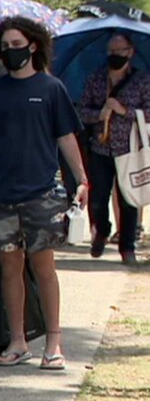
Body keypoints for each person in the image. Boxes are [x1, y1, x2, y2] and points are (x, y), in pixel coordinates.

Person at [0, 16, 89, 371]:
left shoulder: (51, 88)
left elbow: (66, 136)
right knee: (9, 268)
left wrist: (81, 179)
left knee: (44, 266)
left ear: (32, 46)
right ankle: (17, 341)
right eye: (5, 47)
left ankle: (54, 343)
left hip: (42, 193)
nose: (11, 52)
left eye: (17, 45)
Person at [77, 33, 150, 264]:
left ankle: (127, 247)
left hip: (129, 150)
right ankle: (102, 229)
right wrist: (99, 114)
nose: (115, 55)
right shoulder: (96, 78)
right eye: (111, 51)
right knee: (98, 197)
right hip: (100, 147)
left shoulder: (142, 81)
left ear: (131, 52)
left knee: (127, 199)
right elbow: (81, 111)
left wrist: (122, 110)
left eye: (120, 51)